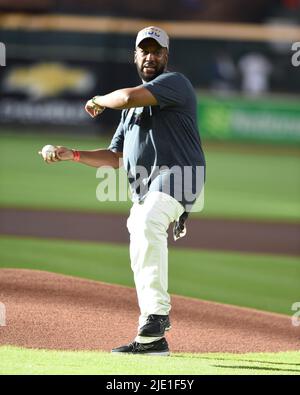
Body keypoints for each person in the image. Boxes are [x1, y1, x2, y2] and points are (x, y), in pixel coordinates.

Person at [40, 26, 206, 356]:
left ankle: (158, 315)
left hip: (181, 177)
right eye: (143, 50)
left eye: (156, 51)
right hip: (147, 189)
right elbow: (115, 157)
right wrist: (72, 154)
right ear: (135, 55)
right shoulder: (129, 112)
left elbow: (128, 96)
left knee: (147, 220)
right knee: (138, 228)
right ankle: (152, 338)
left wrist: (98, 100)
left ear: (165, 56)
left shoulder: (175, 84)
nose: (150, 56)